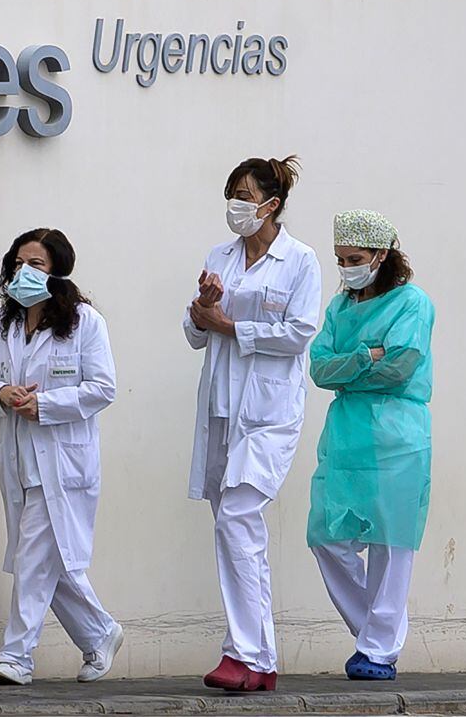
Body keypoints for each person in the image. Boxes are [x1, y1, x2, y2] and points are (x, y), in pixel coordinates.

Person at [183, 156, 322, 691]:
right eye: (232, 194)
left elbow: (299, 332)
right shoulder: (219, 255)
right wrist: (204, 308)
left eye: (245, 195)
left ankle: (242, 653)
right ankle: (261, 661)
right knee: (239, 529)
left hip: (268, 413)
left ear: (272, 204)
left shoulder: (301, 260)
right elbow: (196, 332)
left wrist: (231, 324)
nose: (236, 205)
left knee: (237, 517)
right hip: (221, 408)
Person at [0, 228, 123, 686]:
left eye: (35, 264)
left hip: (63, 463)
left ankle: (16, 657)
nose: (24, 272)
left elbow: (103, 389)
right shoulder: (3, 324)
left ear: (57, 271)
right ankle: (100, 633)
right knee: (45, 562)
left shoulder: (84, 323)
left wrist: (47, 405)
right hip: (18, 463)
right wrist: (2, 393)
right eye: (18, 263)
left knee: (34, 560)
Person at [307, 209, 435, 681]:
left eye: (355, 258)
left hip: (398, 436)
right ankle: (376, 635)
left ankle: (377, 650)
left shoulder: (413, 303)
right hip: (347, 436)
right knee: (326, 536)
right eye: (340, 259)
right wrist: (367, 355)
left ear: (382, 255)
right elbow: (319, 369)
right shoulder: (339, 309)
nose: (346, 268)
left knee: (391, 542)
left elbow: (402, 365)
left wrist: (349, 365)